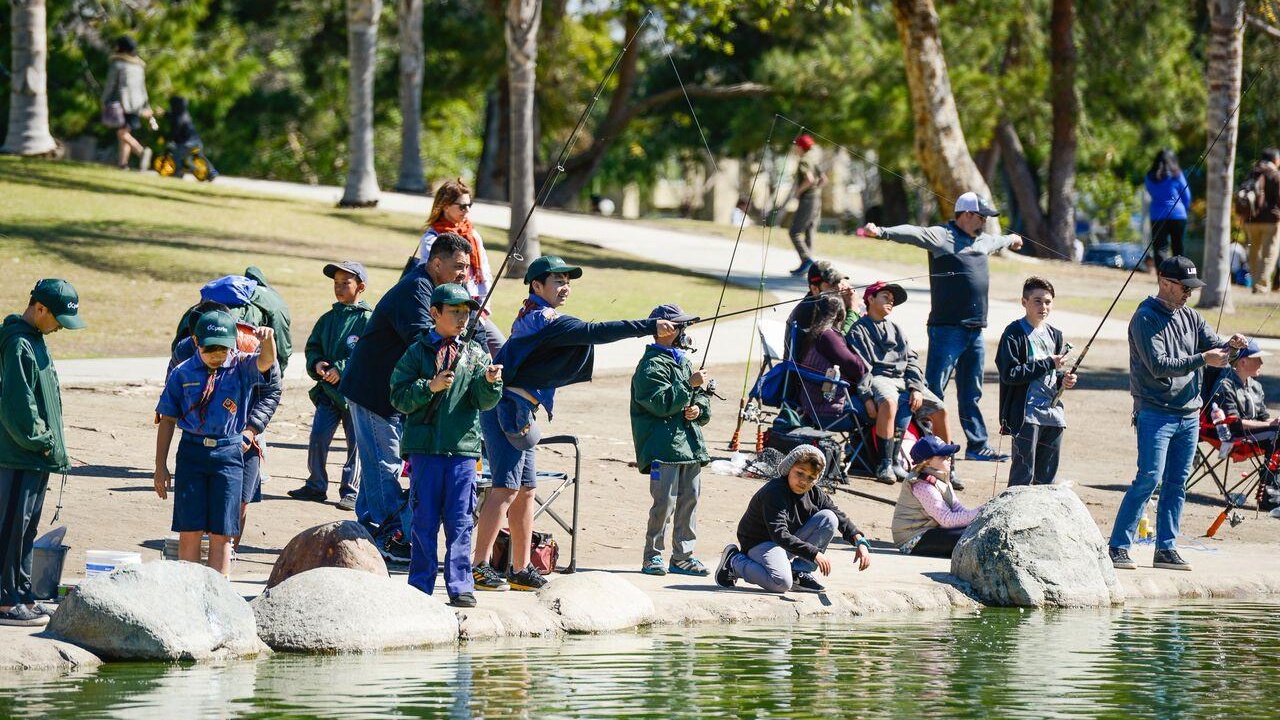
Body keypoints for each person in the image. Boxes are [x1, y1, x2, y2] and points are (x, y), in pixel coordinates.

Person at [474, 255, 676, 592]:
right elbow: (594, 331)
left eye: (567, 281)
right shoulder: (543, 318)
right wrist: (647, 326)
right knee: (506, 489)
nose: (565, 287)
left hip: (522, 410)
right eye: (558, 281)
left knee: (526, 491)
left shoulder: (536, 315)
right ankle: (479, 566)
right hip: (508, 408)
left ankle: (520, 568)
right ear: (537, 286)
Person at [340, 233, 481, 564]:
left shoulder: (432, 289)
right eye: (459, 266)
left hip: (394, 394)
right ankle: (392, 538)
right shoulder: (418, 288)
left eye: (468, 267)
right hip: (374, 391)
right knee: (384, 464)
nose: (464, 273)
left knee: (382, 465)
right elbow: (423, 340)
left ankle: (369, 534)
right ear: (435, 263)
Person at [1108, 256, 1248, 572]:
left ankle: (1166, 549)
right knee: (1149, 478)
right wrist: (1202, 358)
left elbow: (1218, 350)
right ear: (1165, 282)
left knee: (1177, 482)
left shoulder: (1191, 317)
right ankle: (1118, 545)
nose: (1189, 293)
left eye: (1192, 288)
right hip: (1155, 412)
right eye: (1184, 287)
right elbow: (1158, 366)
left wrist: (1233, 346)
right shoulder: (1145, 318)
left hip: (1189, 414)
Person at [862, 192, 1024, 462]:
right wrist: (881, 231)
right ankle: (923, 445)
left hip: (975, 331)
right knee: (932, 392)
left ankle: (977, 446)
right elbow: (913, 233)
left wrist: (1014, 239)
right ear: (967, 214)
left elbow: (1000, 240)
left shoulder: (983, 240)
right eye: (981, 217)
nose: (984, 222)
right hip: (946, 330)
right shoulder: (942, 236)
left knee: (972, 393)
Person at [390, 284, 504, 608]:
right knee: (423, 521)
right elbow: (398, 395)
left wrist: (490, 383)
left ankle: (460, 586)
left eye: (466, 312)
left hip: (463, 451)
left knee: (460, 521)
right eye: (454, 311)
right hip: (425, 453)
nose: (462, 317)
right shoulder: (416, 353)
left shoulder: (476, 354)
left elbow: (482, 401)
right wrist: (430, 386)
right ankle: (420, 586)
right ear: (435, 313)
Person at [154, 311, 276, 577]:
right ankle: (191, 589)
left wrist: (268, 341)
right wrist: (159, 465)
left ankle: (220, 591)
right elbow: (167, 419)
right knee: (190, 530)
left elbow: (266, 362)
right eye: (210, 348)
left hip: (229, 453)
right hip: (192, 453)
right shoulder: (182, 372)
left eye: (223, 349)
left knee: (223, 532)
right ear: (196, 341)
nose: (217, 355)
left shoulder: (241, 366)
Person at [0, 280, 84, 627]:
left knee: (27, 528)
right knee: (10, 528)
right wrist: (42, 439)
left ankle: (23, 593)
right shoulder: (18, 343)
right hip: (18, 455)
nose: (61, 327)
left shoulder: (36, 340)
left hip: (36, 456)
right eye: (58, 319)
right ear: (39, 309)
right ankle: (5, 603)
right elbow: (19, 405)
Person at [714, 444, 871, 594]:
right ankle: (735, 562)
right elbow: (779, 534)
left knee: (829, 518)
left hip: (785, 543)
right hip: (760, 542)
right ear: (789, 469)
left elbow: (838, 515)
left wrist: (859, 541)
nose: (804, 481)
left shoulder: (815, 493)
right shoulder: (775, 491)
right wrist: (814, 554)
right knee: (781, 583)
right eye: (800, 473)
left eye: (811, 477)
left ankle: (799, 572)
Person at [631, 304, 713, 577]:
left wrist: (699, 408)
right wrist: (688, 385)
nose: (684, 331)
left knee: (689, 501)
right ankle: (652, 556)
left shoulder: (683, 361)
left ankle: (683, 557)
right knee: (664, 504)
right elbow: (659, 403)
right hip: (663, 448)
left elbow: (700, 398)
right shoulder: (650, 366)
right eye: (679, 325)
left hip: (689, 446)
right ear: (664, 330)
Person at [846, 281, 953, 485]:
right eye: (885, 297)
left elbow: (912, 360)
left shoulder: (896, 329)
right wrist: (867, 397)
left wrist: (916, 388)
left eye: (892, 300)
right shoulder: (858, 330)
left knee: (941, 409)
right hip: (879, 377)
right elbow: (860, 368)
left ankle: (945, 464)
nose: (890, 302)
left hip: (904, 379)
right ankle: (886, 462)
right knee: (889, 401)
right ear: (870, 298)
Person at [289, 261, 373, 509]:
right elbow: (313, 347)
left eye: (345, 283)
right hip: (327, 392)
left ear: (361, 287)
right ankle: (316, 485)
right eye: (336, 283)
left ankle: (351, 491)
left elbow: (368, 354)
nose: (339, 288)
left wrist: (342, 368)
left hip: (354, 396)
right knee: (317, 437)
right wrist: (318, 364)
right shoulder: (327, 319)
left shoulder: (368, 319)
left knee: (355, 444)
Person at [996, 277, 1078, 487]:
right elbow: (1010, 374)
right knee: (1022, 477)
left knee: (1046, 480)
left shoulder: (1055, 335)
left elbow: (1052, 374)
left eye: (1048, 302)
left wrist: (1064, 380)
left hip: (1053, 414)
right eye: (1037, 301)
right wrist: (1048, 363)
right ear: (1024, 302)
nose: (1044, 307)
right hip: (1027, 414)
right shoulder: (1013, 333)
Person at [417, 179, 503, 357]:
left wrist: (482, 308)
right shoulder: (432, 239)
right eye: (462, 206)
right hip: (444, 311)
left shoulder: (473, 234)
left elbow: (483, 272)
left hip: (475, 309)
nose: (468, 211)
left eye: (470, 205)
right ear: (445, 206)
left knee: (501, 351)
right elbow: (433, 280)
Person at [174, 267, 292, 373]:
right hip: (245, 338)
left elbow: (181, 337)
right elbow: (282, 346)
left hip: (201, 338)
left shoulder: (208, 299)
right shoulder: (272, 299)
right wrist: (277, 373)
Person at [1206, 340, 1280, 509]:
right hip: (1230, 434)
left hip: (1253, 433)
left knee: (1277, 432)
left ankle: (1273, 489)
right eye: (1257, 359)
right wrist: (1270, 426)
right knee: (1276, 436)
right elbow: (1234, 424)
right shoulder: (1225, 384)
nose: (1261, 363)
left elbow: (1263, 418)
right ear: (1243, 361)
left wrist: (1274, 423)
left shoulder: (1256, 387)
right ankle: (1269, 495)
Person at [891, 435, 981, 558]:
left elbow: (958, 509)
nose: (949, 458)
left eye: (949, 454)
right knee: (969, 536)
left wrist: (979, 518)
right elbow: (947, 520)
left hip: (930, 530)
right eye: (943, 456)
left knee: (974, 529)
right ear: (927, 462)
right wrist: (980, 512)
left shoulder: (941, 477)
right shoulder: (921, 484)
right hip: (912, 539)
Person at [791, 295, 867, 431]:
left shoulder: (813, 334)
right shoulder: (828, 336)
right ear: (840, 315)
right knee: (882, 409)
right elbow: (858, 369)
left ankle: (859, 450)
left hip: (812, 405)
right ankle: (881, 453)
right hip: (829, 409)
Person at [783, 259, 857, 360]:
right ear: (814, 288)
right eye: (832, 284)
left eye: (838, 282)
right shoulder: (810, 311)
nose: (839, 288)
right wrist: (853, 310)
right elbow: (840, 344)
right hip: (806, 373)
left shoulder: (826, 302)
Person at [102, 35, 152, 170]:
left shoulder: (117, 64)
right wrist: (146, 105)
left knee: (122, 133)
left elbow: (111, 84)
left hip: (121, 103)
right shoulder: (139, 66)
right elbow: (143, 87)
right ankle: (123, 164)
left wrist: (105, 100)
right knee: (125, 132)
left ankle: (141, 151)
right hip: (137, 103)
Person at [1240, 149, 1280, 293]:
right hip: (1270, 220)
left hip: (1251, 219)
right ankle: (1262, 285)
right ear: (1275, 159)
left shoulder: (1253, 172)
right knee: (1269, 253)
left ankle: (1254, 283)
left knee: (1254, 252)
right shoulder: (1275, 174)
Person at [1144, 149, 1192, 265]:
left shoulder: (1149, 177)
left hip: (1157, 215)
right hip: (1178, 215)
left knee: (1160, 248)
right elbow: (1187, 196)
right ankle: (1179, 276)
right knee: (1178, 247)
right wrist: (1182, 210)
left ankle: (1162, 276)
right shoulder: (1177, 175)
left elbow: (1150, 192)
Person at [787, 135, 826, 276]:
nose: (794, 149)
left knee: (794, 232)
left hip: (808, 199)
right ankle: (809, 268)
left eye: (796, 146)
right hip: (817, 199)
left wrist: (798, 192)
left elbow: (809, 179)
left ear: (800, 147)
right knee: (809, 232)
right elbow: (823, 179)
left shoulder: (804, 160)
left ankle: (807, 260)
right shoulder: (814, 159)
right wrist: (816, 191)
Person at [161, 96, 218, 180]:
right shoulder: (185, 114)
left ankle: (178, 173)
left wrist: (165, 138)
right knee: (200, 155)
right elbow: (174, 116)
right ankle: (212, 172)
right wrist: (165, 113)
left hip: (186, 143)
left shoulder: (178, 119)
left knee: (176, 155)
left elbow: (174, 132)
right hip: (196, 141)